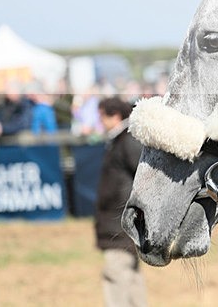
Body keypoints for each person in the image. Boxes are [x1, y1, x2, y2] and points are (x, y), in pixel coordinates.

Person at [95, 97, 146, 307]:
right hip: (121, 221)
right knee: (131, 276)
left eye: (102, 117)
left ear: (114, 116)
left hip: (120, 222)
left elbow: (144, 177)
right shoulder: (121, 140)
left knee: (116, 274)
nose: (100, 123)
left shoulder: (127, 141)